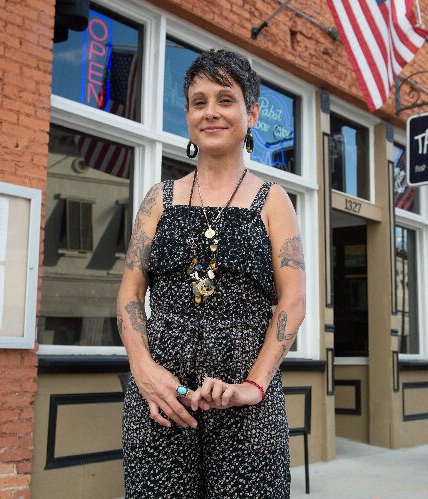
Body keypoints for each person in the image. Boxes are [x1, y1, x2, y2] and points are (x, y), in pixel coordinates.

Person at [117, 48, 305, 498]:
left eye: (225, 99)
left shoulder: (274, 201)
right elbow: (128, 294)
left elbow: (293, 301)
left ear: (251, 113)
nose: (211, 112)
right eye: (199, 102)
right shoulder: (158, 198)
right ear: (187, 115)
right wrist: (142, 369)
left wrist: (255, 386)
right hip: (161, 399)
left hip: (244, 403)